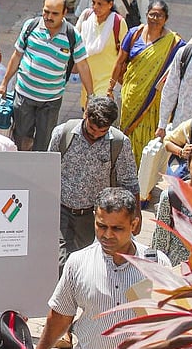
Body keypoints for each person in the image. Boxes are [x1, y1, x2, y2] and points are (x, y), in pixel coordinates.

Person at [35, 188, 179, 349]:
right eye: (101, 226)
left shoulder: (157, 265)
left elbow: (173, 324)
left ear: (134, 225)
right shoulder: (78, 263)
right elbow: (61, 314)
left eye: (117, 228)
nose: (107, 235)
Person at [49, 96, 139, 270]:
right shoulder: (63, 133)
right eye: (91, 129)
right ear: (85, 115)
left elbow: (129, 181)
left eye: (102, 131)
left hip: (94, 216)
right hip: (61, 210)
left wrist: (136, 215)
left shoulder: (120, 143)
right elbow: (48, 169)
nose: (95, 134)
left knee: (88, 263)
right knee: (61, 263)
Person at [0, 0, 94, 152]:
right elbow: (17, 56)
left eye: (54, 13)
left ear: (64, 13)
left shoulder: (72, 36)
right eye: (46, 12)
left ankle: (38, 174)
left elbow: (83, 66)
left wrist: (91, 96)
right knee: (21, 139)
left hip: (51, 101)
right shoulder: (31, 26)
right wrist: (4, 83)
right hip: (24, 96)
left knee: (44, 143)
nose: (48, 17)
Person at [111, 0, 185, 166]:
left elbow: (182, 66)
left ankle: (142, 178)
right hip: (130, 94)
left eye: (159, 15)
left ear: (166, 18)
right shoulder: (134, 33)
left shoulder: (174, 43)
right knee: (125, 131)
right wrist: (111, 86)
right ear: (147, 14)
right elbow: (120, 61)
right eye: (152, 14)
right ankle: (124, 168)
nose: (155, 18)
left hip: (153, 101)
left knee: (147, 137)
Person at [75, 0, 129, 107]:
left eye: (100, 4)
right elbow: (75, 41)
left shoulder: (118, 22)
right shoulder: (86, 17)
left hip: (107, 79)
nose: (95, 7)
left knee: (99, 111)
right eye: (94, 2)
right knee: (87, 110)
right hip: (87, 77)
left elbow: (125, 52)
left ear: (110, 4)